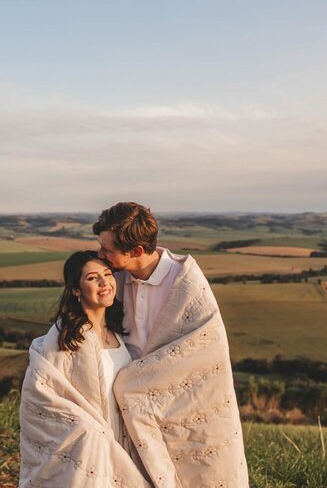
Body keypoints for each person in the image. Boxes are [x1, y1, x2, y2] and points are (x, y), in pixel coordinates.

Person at [94, 202, 250, 488]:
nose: (100, 254)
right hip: (121, 401)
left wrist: (133, 382)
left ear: (137, 251)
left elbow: (204, 350)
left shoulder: (187, 284)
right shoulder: (112, 278)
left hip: (177, 398)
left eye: (107, 249)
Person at [19, 250, 151, 488]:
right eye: (92, 278)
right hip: (90, 444)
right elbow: (42, 393)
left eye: (107, 274)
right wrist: (90, 431)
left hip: (122, 440)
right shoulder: (67, 335)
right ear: (76, 290)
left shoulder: (119, 332)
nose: (104, 283)